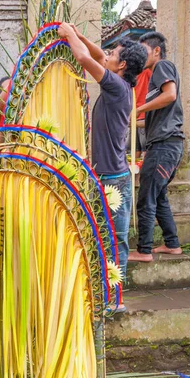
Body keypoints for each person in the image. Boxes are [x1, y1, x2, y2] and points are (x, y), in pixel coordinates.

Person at [57, 24, 147, 307]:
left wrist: (67, 34)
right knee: (104, 238)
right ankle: (107, 295)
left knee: (116, 240)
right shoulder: (120, 83)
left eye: (113, 54)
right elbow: (96, 56)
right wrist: (79, 35)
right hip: (106, 174)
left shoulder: (117, 86)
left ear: (121, 65)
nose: (106, 55)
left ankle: (115, 299)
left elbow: (85, 59)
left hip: (114, 179)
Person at [128, 32, 184, 262]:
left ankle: (144, 250)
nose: (141, 57)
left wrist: (139, 109)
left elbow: (170, 95)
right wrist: (134, 121)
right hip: (167, 145)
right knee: (158, 196)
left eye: (144, 51)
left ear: (156, 50)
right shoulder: (156, 75)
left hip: (164, 146)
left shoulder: (162, 66)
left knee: (146, 198)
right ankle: (172, 245)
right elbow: (152, 117)